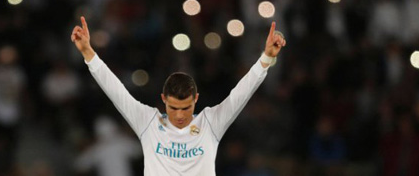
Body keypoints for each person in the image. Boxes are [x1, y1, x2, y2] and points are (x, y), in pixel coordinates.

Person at [71, 16, 286, 175]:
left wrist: (266, 58)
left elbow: (241, 93)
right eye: (173, 108)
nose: (180, 115)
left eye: (186, 108)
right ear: (164, 100)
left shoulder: (211, 123)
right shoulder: (148, 121)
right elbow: (115, 90)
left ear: (196, 100)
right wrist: (88, 53)